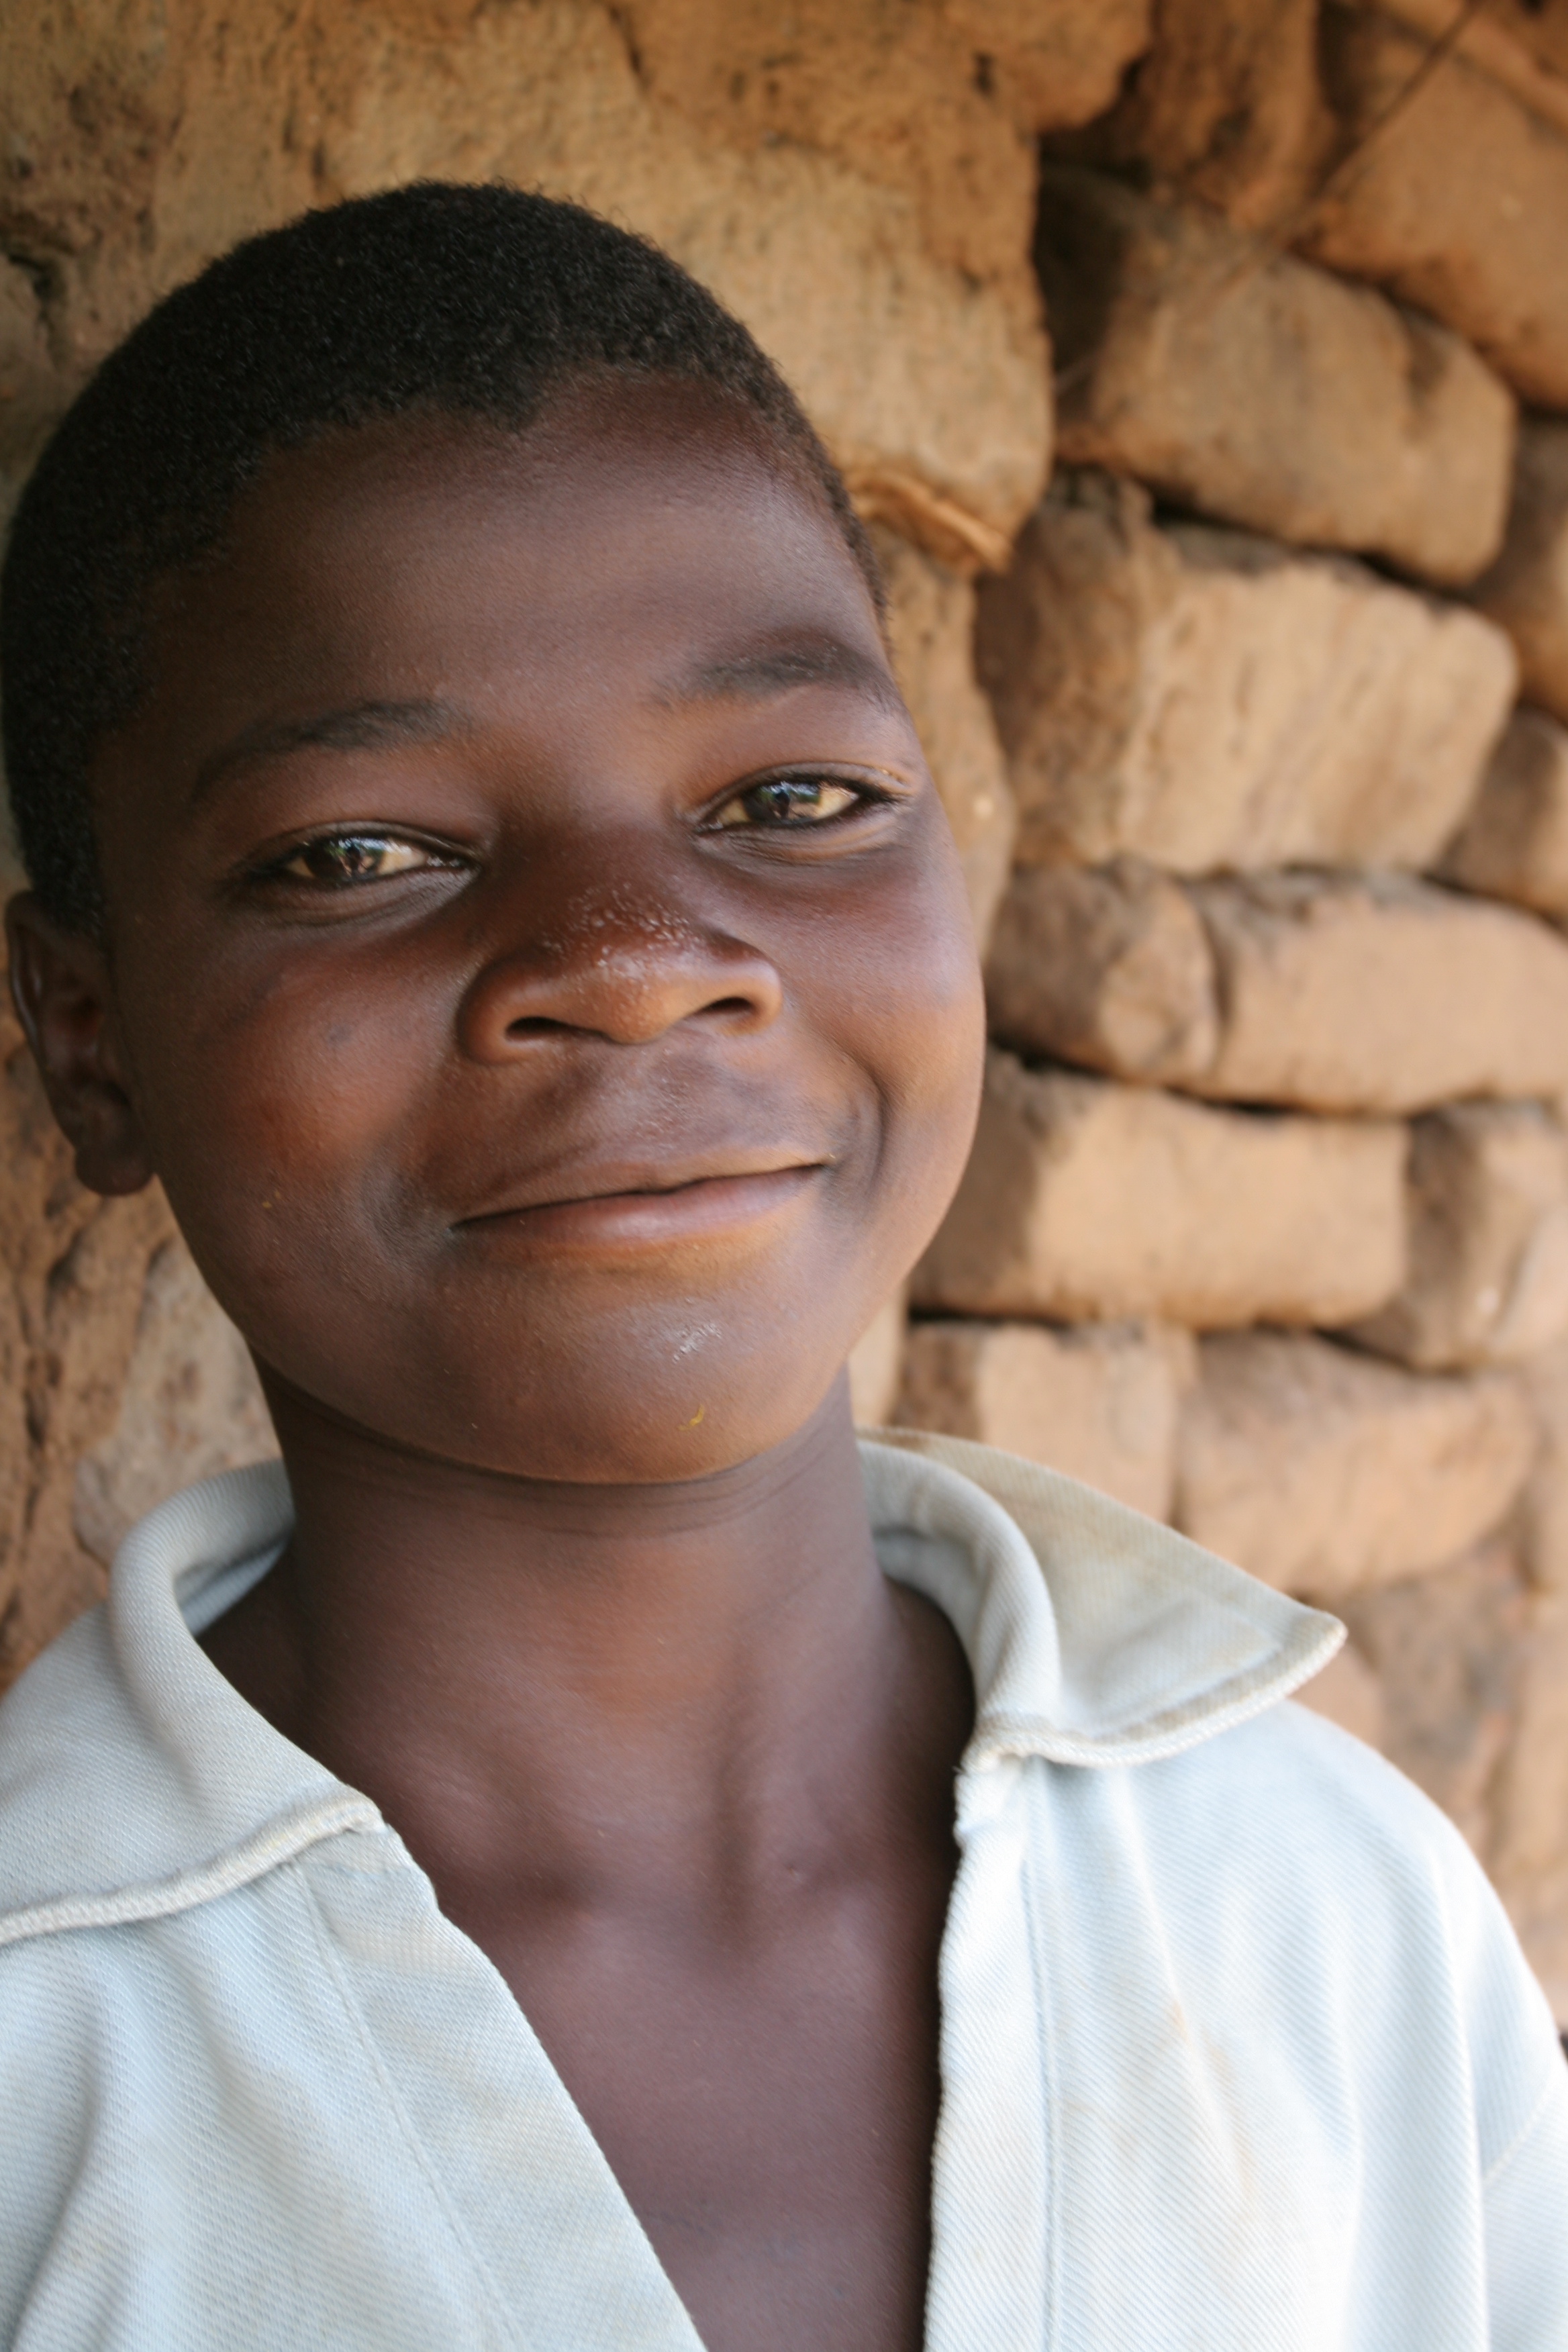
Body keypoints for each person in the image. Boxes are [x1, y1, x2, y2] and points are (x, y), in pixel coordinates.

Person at [0, 181, 1562, 2352]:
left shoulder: (1325, 1917)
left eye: (794, 799)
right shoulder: (45, 2075)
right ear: (89, 1034)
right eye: (361, 855)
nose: (637, 968)